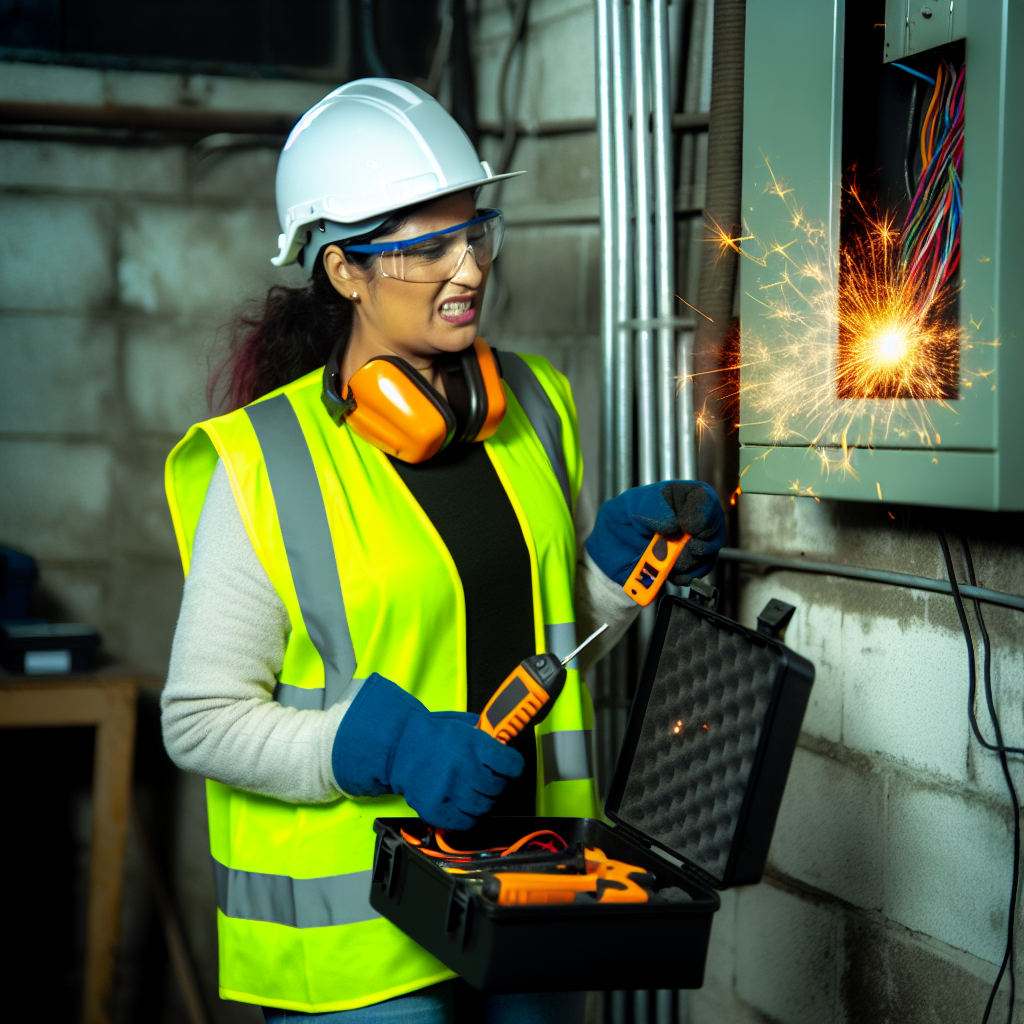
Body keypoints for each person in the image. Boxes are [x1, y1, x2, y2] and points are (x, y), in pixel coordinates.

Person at [160, 79, 726, 1024]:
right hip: (360, 953)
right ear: (344, 271)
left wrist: (619, 570)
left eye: (476, 233)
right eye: (427, 247)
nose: (468, 268)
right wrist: (382, 745)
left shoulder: (533, 405)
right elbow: (200, 718)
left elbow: (547, 637)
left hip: (536, 895)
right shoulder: (265, 461)